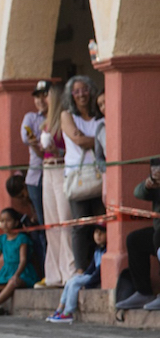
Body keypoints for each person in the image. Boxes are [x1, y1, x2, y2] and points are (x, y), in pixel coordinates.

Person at [60, 75, 105, 272]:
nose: (81, 95)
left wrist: (93, 140)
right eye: (76, 91)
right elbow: (77, 139)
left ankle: (100, 265)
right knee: (80, 225)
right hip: (77, 176)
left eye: (85, 89)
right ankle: (80, 269)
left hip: (100, 174)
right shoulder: (67, 115)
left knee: (103, 223)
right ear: (71, 95)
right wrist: (101, 141)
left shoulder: (101, 116)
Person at [38, 83, 76, 286]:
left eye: (47, 96)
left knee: (65, 220)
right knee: (51, 222)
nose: (43, 100)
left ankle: (69, 270)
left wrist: (56, 150)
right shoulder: (45, 123)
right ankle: (54, 273)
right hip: (47, 169)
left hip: (61, 168)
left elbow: (69, 150)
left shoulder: (64, 118)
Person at [115, 161, 160, 311]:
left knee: (157, 238)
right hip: (158, 231)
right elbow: (138, 193)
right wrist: (149, 183)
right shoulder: (155, 184)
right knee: (135, 240)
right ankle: (143, 292)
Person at [47, 224, 106, 323]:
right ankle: (59, 309)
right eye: (96, 232)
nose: (98, 235)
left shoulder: (106, 251)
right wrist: (83, 276)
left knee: (74, 284)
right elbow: (91, 267)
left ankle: (68, 312)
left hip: (95, 278)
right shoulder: (97, 250)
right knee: (71, 280)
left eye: (102, 232)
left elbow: (98, 272)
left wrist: (88, 283)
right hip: (91, 275)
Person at [21, 80, 49, 225]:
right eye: (37, 97)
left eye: (45, 95)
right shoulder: (31, 117)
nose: (41, 100)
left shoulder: (60, 116)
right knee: (41, 218)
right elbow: (26, 137)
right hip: (36, 176)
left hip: (56, 171)